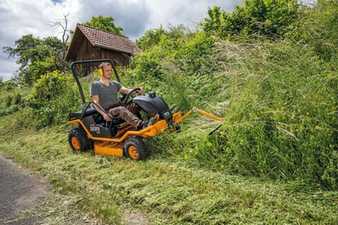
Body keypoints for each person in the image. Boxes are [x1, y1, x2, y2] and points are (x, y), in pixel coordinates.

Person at [90, 62, 145, 129]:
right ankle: (140, 125)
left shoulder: (114, 83)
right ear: (101, 72)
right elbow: (95, 102)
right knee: (121, 109)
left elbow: (126, 90)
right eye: (107, 70)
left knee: (137, 102)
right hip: (109, 111)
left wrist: (137, 90)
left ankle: (153, 117)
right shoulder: (95, 85)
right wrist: (104, 114)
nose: (110, 72)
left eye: (111, 70)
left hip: (120, 107)